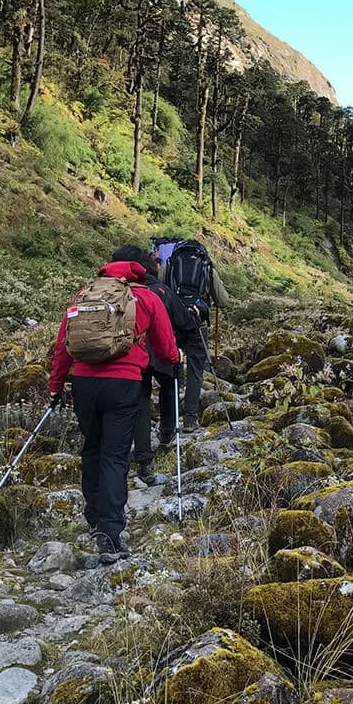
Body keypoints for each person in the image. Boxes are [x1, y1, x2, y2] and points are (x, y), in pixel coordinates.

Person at [48, 258, 181, 563]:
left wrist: (56, 385)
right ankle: (109, 534)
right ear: (139, 275)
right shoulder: (145, 296)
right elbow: (164, 347)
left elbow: (63, 344)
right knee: (115, 456)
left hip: (83, 383)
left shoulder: (85, 294)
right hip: (123, 384)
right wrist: (176, 357)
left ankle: (94, 519)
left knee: (92, 449)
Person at [108, 245, 197, 483]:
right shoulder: (159, 292)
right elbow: (186, 322)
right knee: (169, 385)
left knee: (141, 401)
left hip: (124, 358)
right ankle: (167, 434)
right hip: (158, 353)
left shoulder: (109, 292)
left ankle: (142, 458)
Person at [151, 238, 231, 432]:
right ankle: (190, 420)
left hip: (173, 324)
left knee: (171, 370)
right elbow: (223, 300)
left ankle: (168, 423)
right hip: (198, 323)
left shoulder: (170, 265)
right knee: (195, 372)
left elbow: (159, 290)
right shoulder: (207, 267)